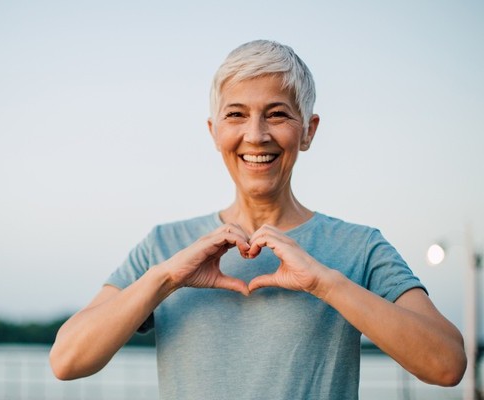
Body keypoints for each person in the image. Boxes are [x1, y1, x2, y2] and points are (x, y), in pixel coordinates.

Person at [49, 39, 466, 399]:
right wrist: (167, 279)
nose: (256, 134)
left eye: (278, 114)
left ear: (308, 130)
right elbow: (67, 360)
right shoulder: (164, 246)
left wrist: (326, 282)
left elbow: (447, 365)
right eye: (236, 115)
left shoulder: (360, 246)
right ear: (214, 131)